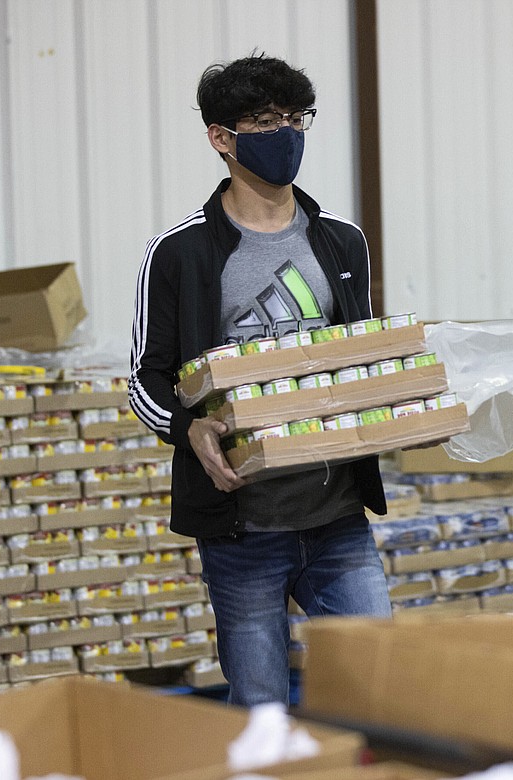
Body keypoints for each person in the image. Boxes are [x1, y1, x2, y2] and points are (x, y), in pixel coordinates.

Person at [129, 54, 391, 707]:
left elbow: (359, 355)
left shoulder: (341, 241)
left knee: (384, 686)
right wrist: (189, 430)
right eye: (266, 121)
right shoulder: (181, 252)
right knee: (261, 712)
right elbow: (145, 377)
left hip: (337, 516)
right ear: (221, 137)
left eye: (297, 118)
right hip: (242, 526)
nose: (287, 133)